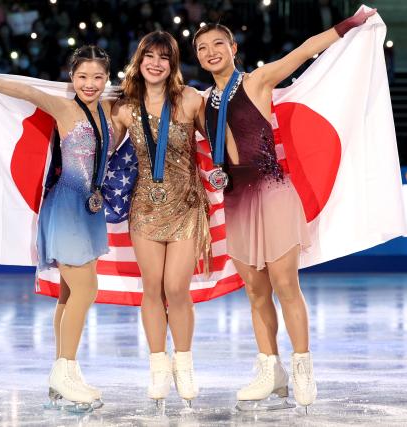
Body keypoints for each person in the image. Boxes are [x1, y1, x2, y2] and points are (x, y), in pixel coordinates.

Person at [193, 8, 377, 411]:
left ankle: (302, 366)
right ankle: (269, 370)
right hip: (237, 198)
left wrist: (349, 24)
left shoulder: (257, 81)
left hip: (273, 191)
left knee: (284, 284)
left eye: (217, 44)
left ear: (233, 48)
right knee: (256, 292)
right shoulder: (199, 101)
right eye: (202, 48)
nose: (210, 52)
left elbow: (305, 51)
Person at [0, 45, 114, 412]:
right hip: (66, 205)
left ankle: (64, 371)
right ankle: (64, 371)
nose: (90, 84)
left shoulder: (109, 108)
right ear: (72, 78)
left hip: (90, 208)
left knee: (69, 294)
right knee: (86, 289)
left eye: (97, 77)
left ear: (107, 78)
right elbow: (29, 92)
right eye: (82, 76)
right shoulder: (65, 107)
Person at [111, 31, 209, 408]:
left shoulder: (188, 99)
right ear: (139, 60)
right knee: (151, 287)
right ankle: (157, 365)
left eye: (163, 57)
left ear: (173, 65)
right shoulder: (123, 107)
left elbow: (217, 140)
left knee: (176, 288)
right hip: (145, 209)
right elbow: (105, 148)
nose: (155, 63)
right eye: (149, 55)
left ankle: (183, 363)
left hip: (185, 206)